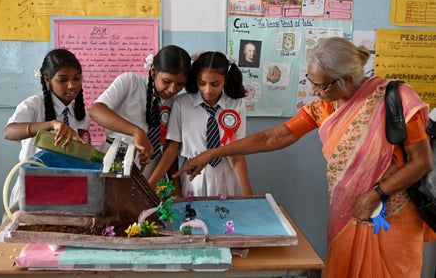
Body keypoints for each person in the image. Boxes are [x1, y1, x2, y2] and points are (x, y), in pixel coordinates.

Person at [174, 37, 435, 277]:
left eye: (319, 85)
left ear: (344, 80)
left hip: (392, 215)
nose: (313, 91)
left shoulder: (396, 98)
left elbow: (421, 162)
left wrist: (375, 193)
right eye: (311, 82)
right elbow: (274, 137)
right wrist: (212, 153)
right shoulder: (325, 106)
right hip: (347, 211)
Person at [148, 51, 253, 197]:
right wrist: (174, 192)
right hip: (193, 179)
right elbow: (171, 150)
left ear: (226, 79)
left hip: (227, 175)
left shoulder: (237, 104)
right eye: (202, 83)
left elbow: (237, 153)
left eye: (215, 84)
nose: (208, 90)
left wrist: (250, 197)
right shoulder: (181, 104)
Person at [3, 48, 89, 218]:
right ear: (47, 80)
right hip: (32, 187)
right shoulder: (34, 105)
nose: (71, 85)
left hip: (64, 190)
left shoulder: (80, 114)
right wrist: (50, 124)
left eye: (76, 78)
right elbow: (9, 132)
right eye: (63, 80)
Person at [90, 45, 192, 179]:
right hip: (119, 153)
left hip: (153, 163)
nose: (172, 89)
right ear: (153, 70)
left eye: (180, 84)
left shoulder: (178, 102)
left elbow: (170, 149)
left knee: (147, 198)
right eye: (166, 81)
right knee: (117, 197)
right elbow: (96, 110)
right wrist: (136, 132)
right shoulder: (130, 82)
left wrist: (154, 183)